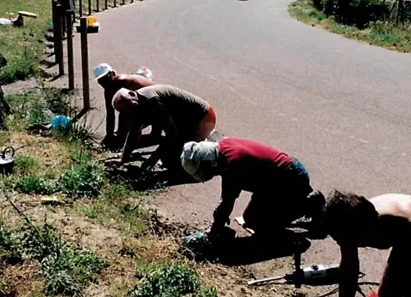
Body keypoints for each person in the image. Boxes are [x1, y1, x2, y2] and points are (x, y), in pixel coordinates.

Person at [181, 138, 324, 239]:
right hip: (272, 181)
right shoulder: (223, 148)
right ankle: (300, 202)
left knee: (258, 223)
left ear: (209, 163)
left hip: (290, 179)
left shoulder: (232, 163)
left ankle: (310, 202)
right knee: (251, 219)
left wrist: (215, 229)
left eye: (202, 170)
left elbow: (227, 200)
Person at [113, 84, 216, 174]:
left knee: (185, 158)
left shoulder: (152, 101)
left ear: (132, 94)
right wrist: (123, 159)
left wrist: (153, 159)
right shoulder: (134, 107)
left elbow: (171, 134)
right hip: (182, 120)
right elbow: (133, 135)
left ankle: (212, 147)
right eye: (126, 110)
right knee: (169, 159)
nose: (129, 111)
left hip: (203, 116)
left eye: (128, 107)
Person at [93, 63, 155, 149]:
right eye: (100, 81)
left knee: (125, 116)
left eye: (105, 78)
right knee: (125, 123)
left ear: (112, 74)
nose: (103, 83)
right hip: (143, 105)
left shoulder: (122, 82)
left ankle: (124, 145)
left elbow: (129, 110)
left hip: (154, 104)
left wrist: (119, 140)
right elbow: (110, 114)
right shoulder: (108, 89)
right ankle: (126, 142)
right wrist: (109, 135)